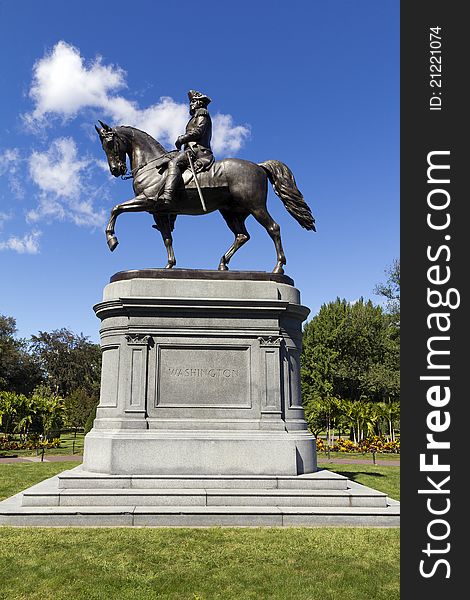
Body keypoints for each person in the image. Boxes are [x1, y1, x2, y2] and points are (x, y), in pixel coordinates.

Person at [158, 90, 214, 205]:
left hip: (198, 152)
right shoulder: (195, 117)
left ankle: (168, 195)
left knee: (174, 163)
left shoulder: (202, 114)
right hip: (190, 150)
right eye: (191, 102)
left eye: (194, 101)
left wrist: (182, 139)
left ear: (200, 103)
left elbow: (198, 132)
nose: (191, 104)